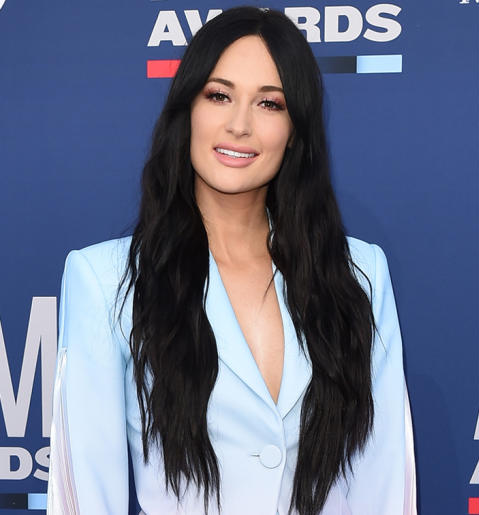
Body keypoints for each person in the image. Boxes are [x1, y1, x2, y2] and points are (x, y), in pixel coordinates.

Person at [46, 7, 416, 514]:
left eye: (270, 103)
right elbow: (85, 495)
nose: (239, 125)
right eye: (219, 95)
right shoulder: (105, 280)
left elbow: (383, 483)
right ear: (187, 109)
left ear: (295, 130)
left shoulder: (361, 275)